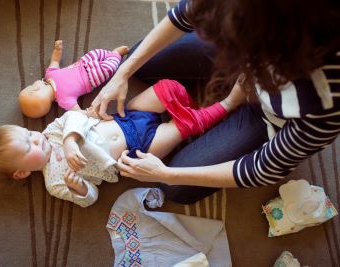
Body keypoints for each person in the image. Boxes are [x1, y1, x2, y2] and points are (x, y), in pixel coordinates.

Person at [90, 0, 340, 204]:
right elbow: (183, 15)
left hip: (265, 115)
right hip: (249, 43)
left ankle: (233, 105)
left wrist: (167, 174)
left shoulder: (325, 103)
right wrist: (123, 72)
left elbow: (263, 168)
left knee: (175, 189)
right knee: (138, 60)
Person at [0, 79, 243, 207]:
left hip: (127, 116)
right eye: (29, 147)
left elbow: (73, 116)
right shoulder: (55, 183)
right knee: (182, 127)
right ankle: (228, 104)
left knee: (166, 88)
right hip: (140, 148)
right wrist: (80, 188)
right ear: (23, 172)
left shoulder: (51, 132)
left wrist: (70, 141)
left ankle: (191, 109)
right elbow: (90, 199)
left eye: (28, 134)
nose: (35, 139)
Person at [18, 40, 129, 118]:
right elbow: (77, 112)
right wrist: (88, 113)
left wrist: (57, 50)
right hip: (93, 78)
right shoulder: (63, 100)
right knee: (108, 68)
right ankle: (116, 54)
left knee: (95, 53)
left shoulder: (49, 75)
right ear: (36, 87)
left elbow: (55, 61)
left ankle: (110, 55)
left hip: (84, 63)